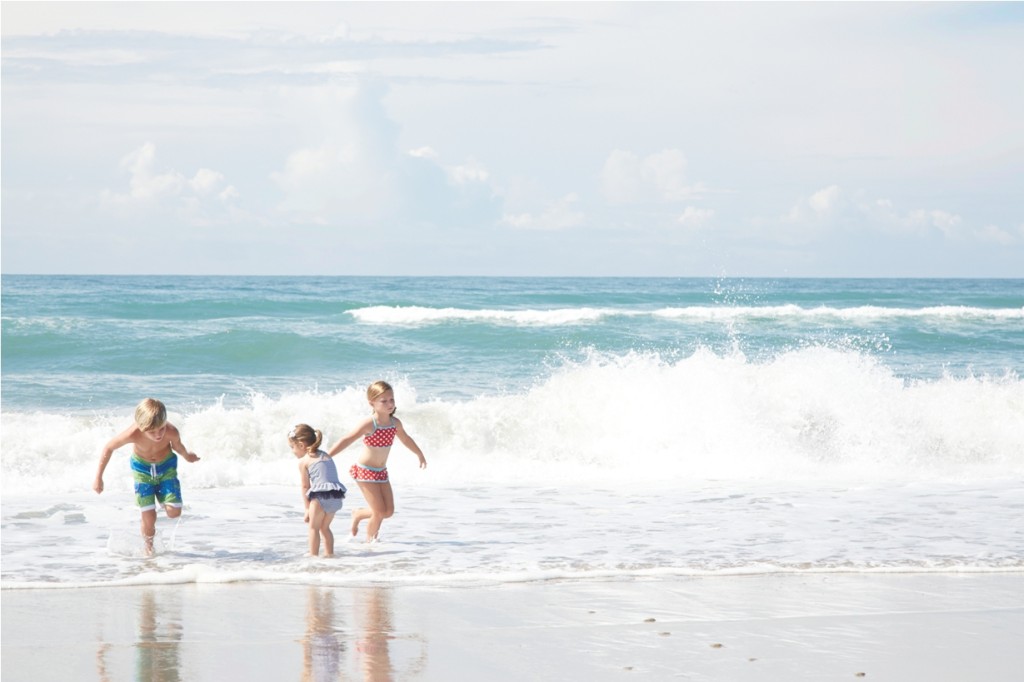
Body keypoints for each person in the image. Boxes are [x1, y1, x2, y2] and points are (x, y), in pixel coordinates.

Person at [93, 398, 200, 555]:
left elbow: (178, 446)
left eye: (161, 429)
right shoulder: (133, 433)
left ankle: (163, 497)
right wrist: (98, 477)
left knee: (174, 512)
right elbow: (109, 447)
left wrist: (187, 456)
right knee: (149, 517)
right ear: (142, 427)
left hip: (166, 469)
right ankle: (148, 547)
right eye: (152, 431)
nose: (158, 434)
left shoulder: (171, 431)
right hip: (142, 472)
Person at [327, 381, 427, 542]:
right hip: (365, 471)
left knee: (388, 511)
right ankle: (370, 542)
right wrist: (328, 455)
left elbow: (406, 439)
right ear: (371, 403)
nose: (389, 404)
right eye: (384, 401)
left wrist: (419, 453)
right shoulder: (370, 423)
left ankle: (359, 513)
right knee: (379, 512)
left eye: (392, 400)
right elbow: (347, 439)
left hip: (381, 472)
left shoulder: (395, 423)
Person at [289, 423, 347, 557]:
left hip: (321, 496)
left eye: (292, 447)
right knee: (325, 528)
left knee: (313, 528)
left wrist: (307, 509)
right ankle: (329, 554)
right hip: (336, 495)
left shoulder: (304, 462)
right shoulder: (325, 455)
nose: (293, 451)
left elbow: (305, 486)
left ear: (302, 445)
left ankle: (313, 556)